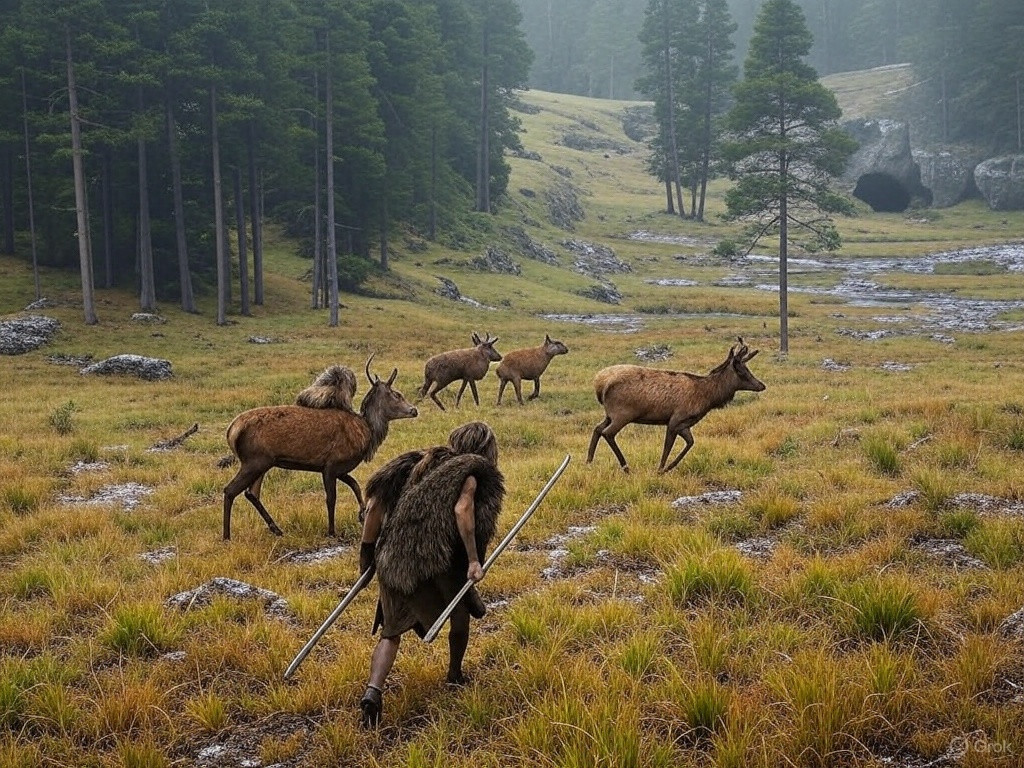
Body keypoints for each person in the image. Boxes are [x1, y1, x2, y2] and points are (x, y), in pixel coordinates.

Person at [356, 421, 504, 728]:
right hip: (430, 562)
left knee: (391, 631)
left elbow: (373, 508)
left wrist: (368, 553)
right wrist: (474, 561)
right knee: (460, 615)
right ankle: (455, 674)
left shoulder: (416, 463)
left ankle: (374, 690)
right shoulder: (471, 474)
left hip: (392, 556)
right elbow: (463, 511)